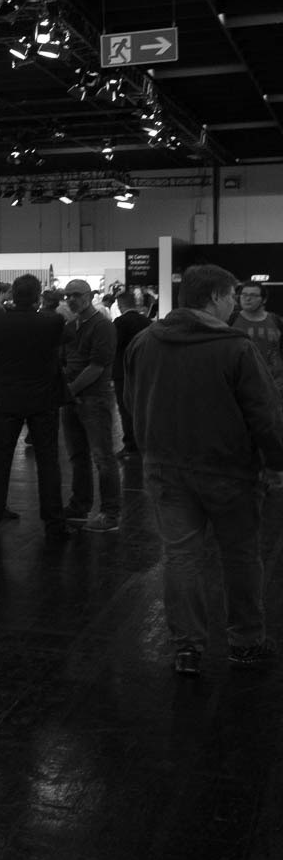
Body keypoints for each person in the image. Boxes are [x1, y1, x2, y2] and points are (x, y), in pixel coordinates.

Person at [129, 264, 283, 674]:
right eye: (231, 296)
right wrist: (276, 462)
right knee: (241, 556)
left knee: (180, 557)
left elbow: (131, 399)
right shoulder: (236, 348)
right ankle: (246, 641)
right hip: (229, 470)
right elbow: (264, 414)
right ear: (214, 297)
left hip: (164, 466)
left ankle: (187, 649)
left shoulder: (145, 341)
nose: (235, 303)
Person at [0, 273, 68, 539]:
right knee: (48, 462)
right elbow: (62, 357)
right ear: (37, 296)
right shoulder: (53, 322)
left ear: (13, 294)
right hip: (43, 400)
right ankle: (54, 523)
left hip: (6, 399)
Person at [59, 278, 122, 533]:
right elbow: (66, 361)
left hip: (94, 398)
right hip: (75, 399)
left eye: (76, 294)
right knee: (78, 456)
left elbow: (97, 367)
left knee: (102, 457)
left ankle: (110, 513)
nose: (71, 299)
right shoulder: (71, 326)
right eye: (68, 295)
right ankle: (80, 505)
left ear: (89, 296)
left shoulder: (103, 326)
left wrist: (69, 390)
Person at [114, 289, 155, 453]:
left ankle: (130, 444)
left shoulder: (119, 323)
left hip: (123, 373)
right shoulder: (147, 322)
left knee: (125, 408)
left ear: (120, 305)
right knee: (142, 407)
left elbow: (114, 346)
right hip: (143, 371)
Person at [230, 281, 283, 394]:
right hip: (243, 384)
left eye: (253, 295)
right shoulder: (230, 320)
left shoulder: (276, 320)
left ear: (264, 300)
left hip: (276, 384)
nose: (247, 299)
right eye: (244, 295)